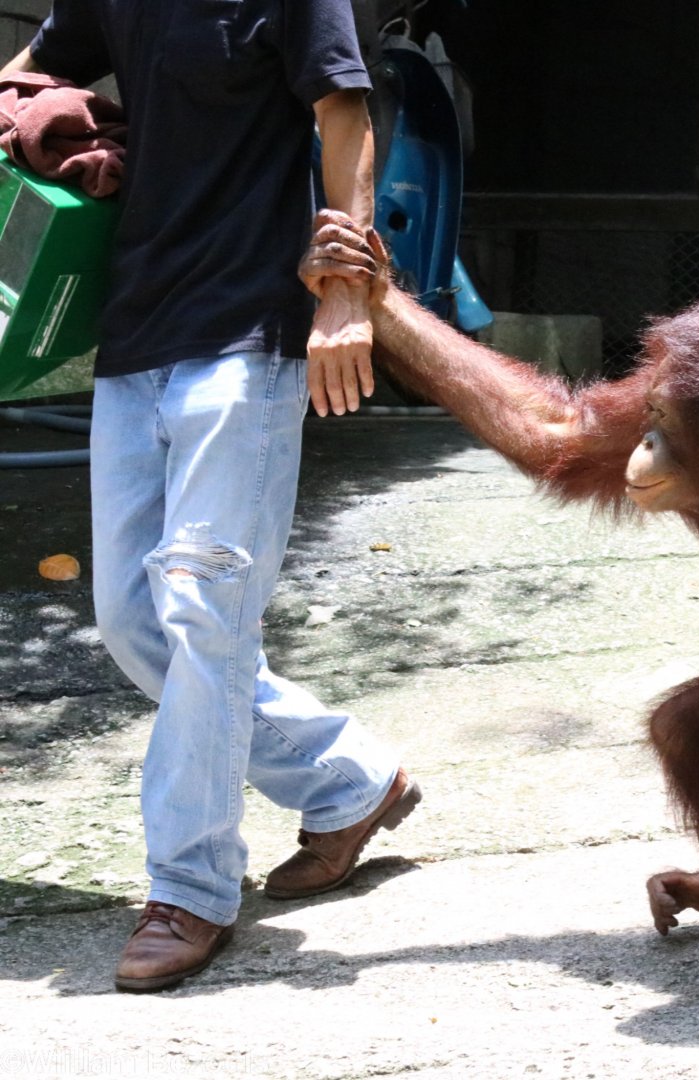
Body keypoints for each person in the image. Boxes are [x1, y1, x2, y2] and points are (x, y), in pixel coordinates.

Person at [2, 1, 420, 992]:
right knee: (133, 622)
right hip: (137, 326)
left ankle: (188, 889)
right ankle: (348, 782)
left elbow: (345, 116)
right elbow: (28, 71)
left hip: (249, 333)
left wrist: (344, 292)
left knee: (202, 617)